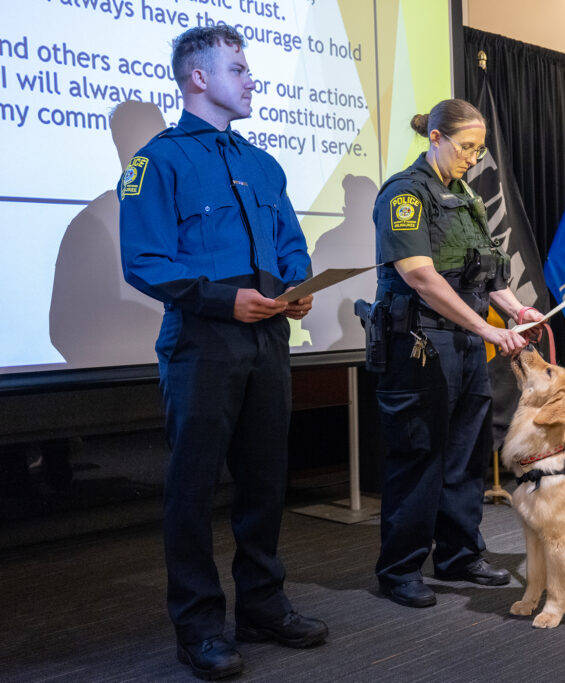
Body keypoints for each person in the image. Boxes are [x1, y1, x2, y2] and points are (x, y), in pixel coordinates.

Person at [119, 26, 326, 680]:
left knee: (265, 480)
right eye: (238, 68)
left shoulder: (264, 164)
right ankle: (200, 624)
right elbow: (143, 261)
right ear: (198, 78)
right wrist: (220, 299)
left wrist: (297, 288)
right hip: (203, 339)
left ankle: (263, 605)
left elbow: (291, 242)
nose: (251, 78)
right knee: (193, 487)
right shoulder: (158, 161)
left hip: (268, 336)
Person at [368, 99, 545, 608]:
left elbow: (484, 275)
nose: (473, 157)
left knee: (467, 453)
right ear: (436, 139)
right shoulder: (405, 193)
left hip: (466, 343)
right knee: (418, 455)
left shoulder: (463, 195)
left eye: (479, 149)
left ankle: (458, 553)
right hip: (421, 343)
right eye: (466, 147)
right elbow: (420, 276)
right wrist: (487, 331)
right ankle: (400, 569)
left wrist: (514, 312)